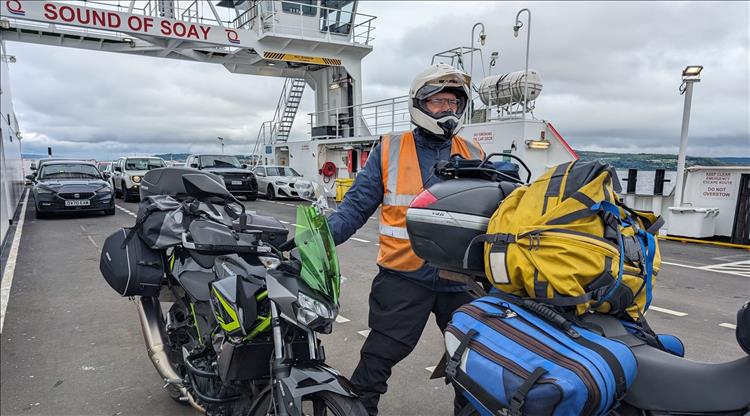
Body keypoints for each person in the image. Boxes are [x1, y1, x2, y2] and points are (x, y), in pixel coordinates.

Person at [327, 64, 485, 415]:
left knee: (473, 366)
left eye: (453, 103)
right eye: (438, 102)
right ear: (419, 104)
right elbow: (353, 209)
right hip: (403, 277)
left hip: (460, 280)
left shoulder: (474, 153)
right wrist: (315, 242)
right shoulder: (389, 148)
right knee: (377, 358)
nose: (447, 109)